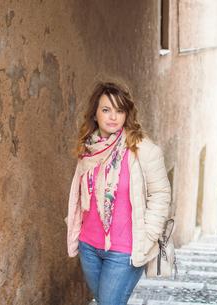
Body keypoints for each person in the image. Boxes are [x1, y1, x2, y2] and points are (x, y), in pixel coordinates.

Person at [65, 81, 171, 305]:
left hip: (125, 251)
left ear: (127, 114)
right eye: (106, 110)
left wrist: (149, 235)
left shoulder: (144, 150)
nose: (113, 117)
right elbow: (81, 196)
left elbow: (160, 194)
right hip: (89, 247)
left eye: (119, 110)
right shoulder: (89, 149)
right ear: (95, 113)